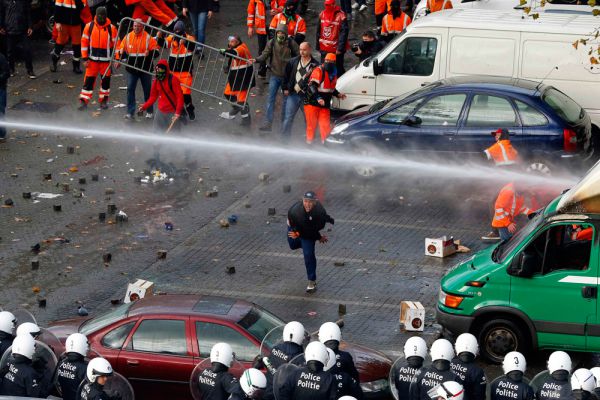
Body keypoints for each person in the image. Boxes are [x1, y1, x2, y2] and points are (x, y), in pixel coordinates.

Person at [255, 23, 299, 132]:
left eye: (282, 33)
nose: (280, 35)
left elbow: (299, 55)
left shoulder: (291, 43)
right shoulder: (272, 42)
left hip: (286, 78)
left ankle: (283, 123)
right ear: (276, 33)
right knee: (270, 99)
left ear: (286, 33)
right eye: (278, 33)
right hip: (274, 75)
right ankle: (268, 123)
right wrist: (256, 60)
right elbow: (264, 55)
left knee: (285, 101)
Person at [287, 191, 334, 292]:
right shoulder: (296, 212)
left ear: (315, 202)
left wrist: (316, 236)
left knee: (308, 254)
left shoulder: (320, 212)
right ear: (302, 201)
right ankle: (305, 243)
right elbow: (298, 227)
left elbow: (313, 229)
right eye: (305, 201)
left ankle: (312, 281)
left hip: (308, 231)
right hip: (295, 226)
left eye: (310, 202)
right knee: (292, 245)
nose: (307, 204)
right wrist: (298, 233)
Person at [138, 59, 184, 160]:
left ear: (165, 70)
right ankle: (156, 154)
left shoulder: (174, 80)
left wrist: (177, 113)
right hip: (160, 112)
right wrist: (144, 106)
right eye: (157, 70)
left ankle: (177, 153)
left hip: (172, 113)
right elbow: (153, 97)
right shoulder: (156, 81)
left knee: (175, 134)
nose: (158, 73)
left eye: (160, 71)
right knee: (156, 133)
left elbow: (180, 97)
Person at [115, 18, 159, 120]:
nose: (136, 28)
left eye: (138, 26)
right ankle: (130, 112)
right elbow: (121, 51)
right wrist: (118, 60)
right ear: (132, 26)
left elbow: (157, 52)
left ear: (142, 27)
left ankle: (149, 111)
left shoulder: (148, 38)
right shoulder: (128, 37)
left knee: (147, 91)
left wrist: (150, 53)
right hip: (132, 70)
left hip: (145, 70)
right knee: (130, 90)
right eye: (135, 26)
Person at [78, 7, 118, 110]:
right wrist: (85, 58)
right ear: (96, 15)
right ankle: (83, 101)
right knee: (88, 82)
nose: (101, 17)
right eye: (99, 15)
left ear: (106, 16)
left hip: (106, 62)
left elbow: (117, 45)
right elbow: (84, 42)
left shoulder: (112, 28)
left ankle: (103, 101)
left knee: (105, 83)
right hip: (92, 61)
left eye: (103, 15)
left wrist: (117, 59)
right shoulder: (89, 26)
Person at [255, 321, 305, 400]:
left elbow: (269, 365)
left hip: (268, 393)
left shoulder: (275, 349)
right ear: (301, 337)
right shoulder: (300, 359)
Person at [304, 53, 346, 144]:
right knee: (311, 125)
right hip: (312, 103)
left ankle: (326, 143)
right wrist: (318, 98)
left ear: (334, 62)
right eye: (327, 61)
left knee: (325, 125)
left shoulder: (334, 73)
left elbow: (330, 88)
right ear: (324, 60)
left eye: (330, 61)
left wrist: (338, 94)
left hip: (325, 103)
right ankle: (309, 143)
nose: (328, 63)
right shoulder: (318, 70)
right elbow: (312, 86)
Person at [158, 20, 197, 120]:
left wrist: (185, 42)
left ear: (183, 31)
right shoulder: (172, 37)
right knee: (175, 93)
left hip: (186, 72)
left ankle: (190, 109)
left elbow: (192, 48)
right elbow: (164, 44)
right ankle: (181, 111)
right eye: (175, 31)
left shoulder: (189, 38)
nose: (176, 33)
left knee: (185, 94)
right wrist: (160, 37)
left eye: (178, 31)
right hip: (173, 72)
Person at [281, 41, 318, 140]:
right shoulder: (293, 61)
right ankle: (284, 140)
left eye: (304, 50)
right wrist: (285, 88)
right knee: (288, 118)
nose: (302, 52)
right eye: (300, 49)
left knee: (308, 120)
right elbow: (286, 76)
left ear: (309, 50)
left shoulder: (315, 65)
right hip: (293, 94)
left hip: (307, 97)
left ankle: (309, 139)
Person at [219, 35, 254, 127]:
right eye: (230, 41)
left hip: (244, 78)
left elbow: (234, 53)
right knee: (227, 93)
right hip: (237, 77)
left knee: (241, 100)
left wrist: (225, 52)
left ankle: (245, 119)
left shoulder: (241, 48)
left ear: (238, 42)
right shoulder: (238, 46)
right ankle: (237, 109)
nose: (230, 43)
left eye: (232, 42)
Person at [0, 0, 35, 78]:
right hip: (9, 30)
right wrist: (1, 26)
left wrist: (30, 26)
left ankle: (30, 70)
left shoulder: (23, 1)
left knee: (27, 50)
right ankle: (11, 69)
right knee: (10, 52)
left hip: (23, 30)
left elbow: (28, 13)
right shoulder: (4, 1)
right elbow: (1, 13)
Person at [50, 0, 85, 74]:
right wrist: (58, 22)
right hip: (64, 23)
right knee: (60, 43)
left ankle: (76, 66)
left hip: (76, 23)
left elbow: (82, 7)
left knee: (77, 45)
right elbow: (57, 8)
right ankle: (54, 60)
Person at [316, 0, 349, 75]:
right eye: (326, 5)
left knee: (338, 68)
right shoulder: (322, 14)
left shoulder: (341, 15)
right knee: (324, 69)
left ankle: (340, 83)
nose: (327, 6)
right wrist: (318, 46)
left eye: (329, 4)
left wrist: (340, 48)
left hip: (336, 49)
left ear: (334, 4)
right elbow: (318, 31)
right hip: (324, 48)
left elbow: (344, 32)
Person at [450, 333, 486, 400]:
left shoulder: (450, 363)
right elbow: (480, 396)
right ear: (476, 348)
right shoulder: (477, 371)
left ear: (457, 347)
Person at [56, 333, 89, 400]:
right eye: (87, 345)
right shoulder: (84, 368)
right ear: (81, 346)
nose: (88, 348)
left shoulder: (62, 363)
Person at [247, 0, 268, 78]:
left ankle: (276, 70)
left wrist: (277, 10)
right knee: (262, 49)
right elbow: (250, 13)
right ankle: (262, 70)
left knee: (275, 48)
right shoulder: (254, 1)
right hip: (261, 27)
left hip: (275, 26)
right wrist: (250, 26)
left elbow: (284, 6)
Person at [0, 52, 7, 143]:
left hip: (0, 88)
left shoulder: (1, 57)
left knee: (0, 111)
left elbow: (6, 73)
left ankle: (1, 133)